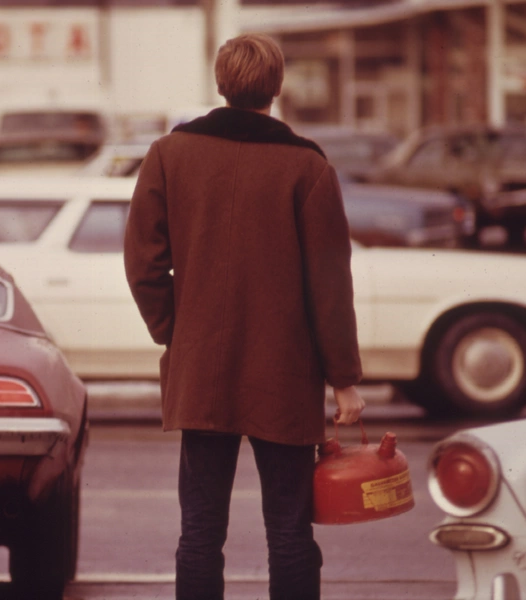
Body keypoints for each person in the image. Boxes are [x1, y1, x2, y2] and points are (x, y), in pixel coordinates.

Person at [123, 33, 366, 600]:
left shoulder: (168, 154)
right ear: (276, 88)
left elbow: (143, 263)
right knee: (288, 530)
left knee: (200, 531)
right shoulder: (307, 167)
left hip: (202, 369)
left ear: (221, 83)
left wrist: (176, 333)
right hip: (284, 375)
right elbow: (330, 283)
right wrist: (344, 379)